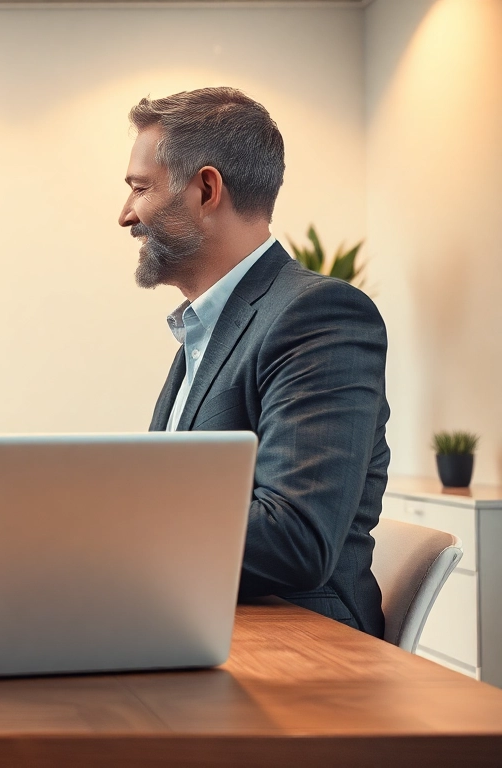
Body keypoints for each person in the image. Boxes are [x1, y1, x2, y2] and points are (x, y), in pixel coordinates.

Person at [119, 88, 390, 637]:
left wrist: (101, 531)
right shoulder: (208, 329)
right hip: (199, 619)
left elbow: (295, 537)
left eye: (141, 189)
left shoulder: (319, 315)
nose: (126, 214)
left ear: (206, 189)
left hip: (301, 649)